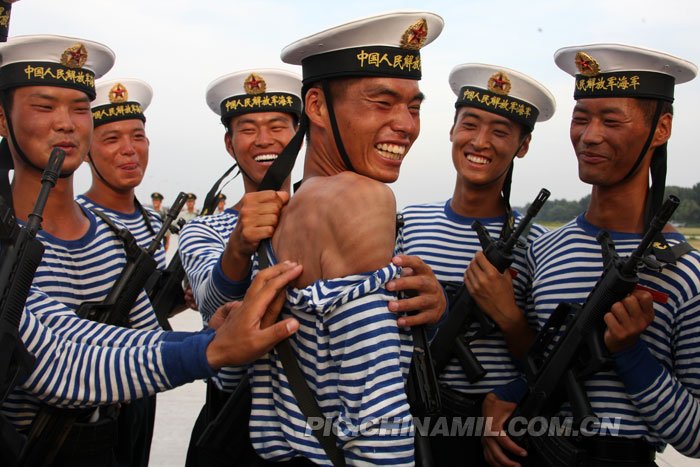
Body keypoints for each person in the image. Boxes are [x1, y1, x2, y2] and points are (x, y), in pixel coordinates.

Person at [0, 34, 303, 466]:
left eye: (80, 109)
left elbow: (130, 338)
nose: (66, 123)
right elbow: (57, 361)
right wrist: (212, 348)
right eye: (45, 107)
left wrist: (209, 336)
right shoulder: (16, 239)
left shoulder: (110, 238)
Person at [241, 11, 447, 465]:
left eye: (413, 107)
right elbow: (378, 416)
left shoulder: (286, 210)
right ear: (316, 107)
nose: (406, 125)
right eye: (382, 102)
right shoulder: (363, 198)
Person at [482, 44, 700, 467]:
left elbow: (696, 437)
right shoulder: (543, 250)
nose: (589, 135)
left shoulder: (685, 272)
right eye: (580, 118)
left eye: (611, 120)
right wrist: (501, 400)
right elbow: (535, 356)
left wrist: (629, 353)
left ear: (661, 128)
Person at [399, 63, 555, 464]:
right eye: (470, 124)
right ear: (452, 131)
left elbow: (546, 363)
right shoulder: (406, 223)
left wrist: (508, 316)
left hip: (489, 431)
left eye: (501, 131)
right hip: (404, 419)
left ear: (523, 145)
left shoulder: (536, 245)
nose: (480, 142)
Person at [178, 67, 302, 466]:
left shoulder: (333, 222)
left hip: (312, 422)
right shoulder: (203, 230)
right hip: (231, 420)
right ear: (230, 145)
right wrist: (238, 246)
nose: (264, 140)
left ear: (301, 136)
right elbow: (212, 307)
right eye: (248, 129)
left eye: (278, 126)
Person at [75, 77, 163, 467]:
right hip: (95, 393)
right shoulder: (79, 221)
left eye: (138, 137)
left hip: (145, 385)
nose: (129, 151)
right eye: (111, 139)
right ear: (86, 151)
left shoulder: (152, 221)